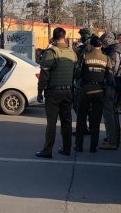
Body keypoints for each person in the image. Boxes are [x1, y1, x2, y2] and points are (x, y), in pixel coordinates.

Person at [36, 27, 77, 158]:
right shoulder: (72, 52)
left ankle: (47, 150)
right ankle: (66, 149)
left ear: (53, 38)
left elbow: (44, 75)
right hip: (68, 91)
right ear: (64, 37)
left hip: (53, 93)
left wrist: (39, 91)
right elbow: (76, 73)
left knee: (51, 123)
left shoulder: (51, 52)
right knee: (67, 121)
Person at [74, 35, 113, 153]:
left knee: (81, 118)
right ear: (101, 45)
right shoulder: (106, 59)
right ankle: (93, 146)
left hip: (85, 89)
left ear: (91, 45)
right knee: (96, 120)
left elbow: (77, 73)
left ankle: (79, 145)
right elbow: (110, 76)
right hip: (99, 91)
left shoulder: (85, 56)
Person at [99, 31, 121, 150]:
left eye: (104, 43)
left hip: (111, 85)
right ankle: (114, 137)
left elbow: (111, 70)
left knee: (109, 113)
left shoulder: (113, 52)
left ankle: (112, 141)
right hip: (115, 84)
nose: (103, 45)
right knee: (113, 112)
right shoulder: (117, 50)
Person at [73, 27, 94, 136]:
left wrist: (75, 75)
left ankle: (83, 129)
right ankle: (90, 128)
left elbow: (80, 67)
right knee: (89, 108)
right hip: (92, 82)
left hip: (83, 82)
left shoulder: (86, 49)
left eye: (82, 36)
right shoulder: (93, 47)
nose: (80, 38)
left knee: (79, 106)